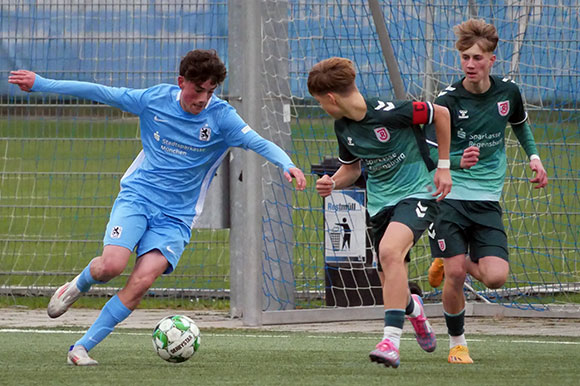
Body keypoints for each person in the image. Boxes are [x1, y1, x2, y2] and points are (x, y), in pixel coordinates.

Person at [8, 49, 306, 366]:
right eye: (198, 89)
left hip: (176, 218)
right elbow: (100, 92)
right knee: (110, 267)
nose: (203, 98)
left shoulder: (222, 117)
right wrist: (41, 84)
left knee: (141, 282)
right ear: (181, 82)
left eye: (210, 90)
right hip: (138, 197)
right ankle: (79, 283)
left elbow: (259, 142)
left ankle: (80, 348)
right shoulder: (154, 100)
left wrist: (286, 164)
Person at [307, 57, 453, 368]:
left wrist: (443, 167)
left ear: (330, 98)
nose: (323, 108)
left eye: (320, 103)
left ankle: (390, 342)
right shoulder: (343, 127)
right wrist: (332, 183)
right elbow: (352, 168)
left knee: (389, 252)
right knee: (390, 279)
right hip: (379, 203)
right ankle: (414, 309)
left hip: (418, 192)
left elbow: (441, 114)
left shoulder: (393, 111)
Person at [424, 19, 548, 364]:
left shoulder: (508, 92)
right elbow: (429, 152)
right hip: (449, 197)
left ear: (492, 59)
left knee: (495, 278)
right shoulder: (447, 100)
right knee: (456, 274)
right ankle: (457, 344)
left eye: (478, 57)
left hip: (487, 198)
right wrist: (454, 161)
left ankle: (449, 256)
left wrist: (534, 158)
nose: (470, 64)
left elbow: (520, 127)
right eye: (465, 57)